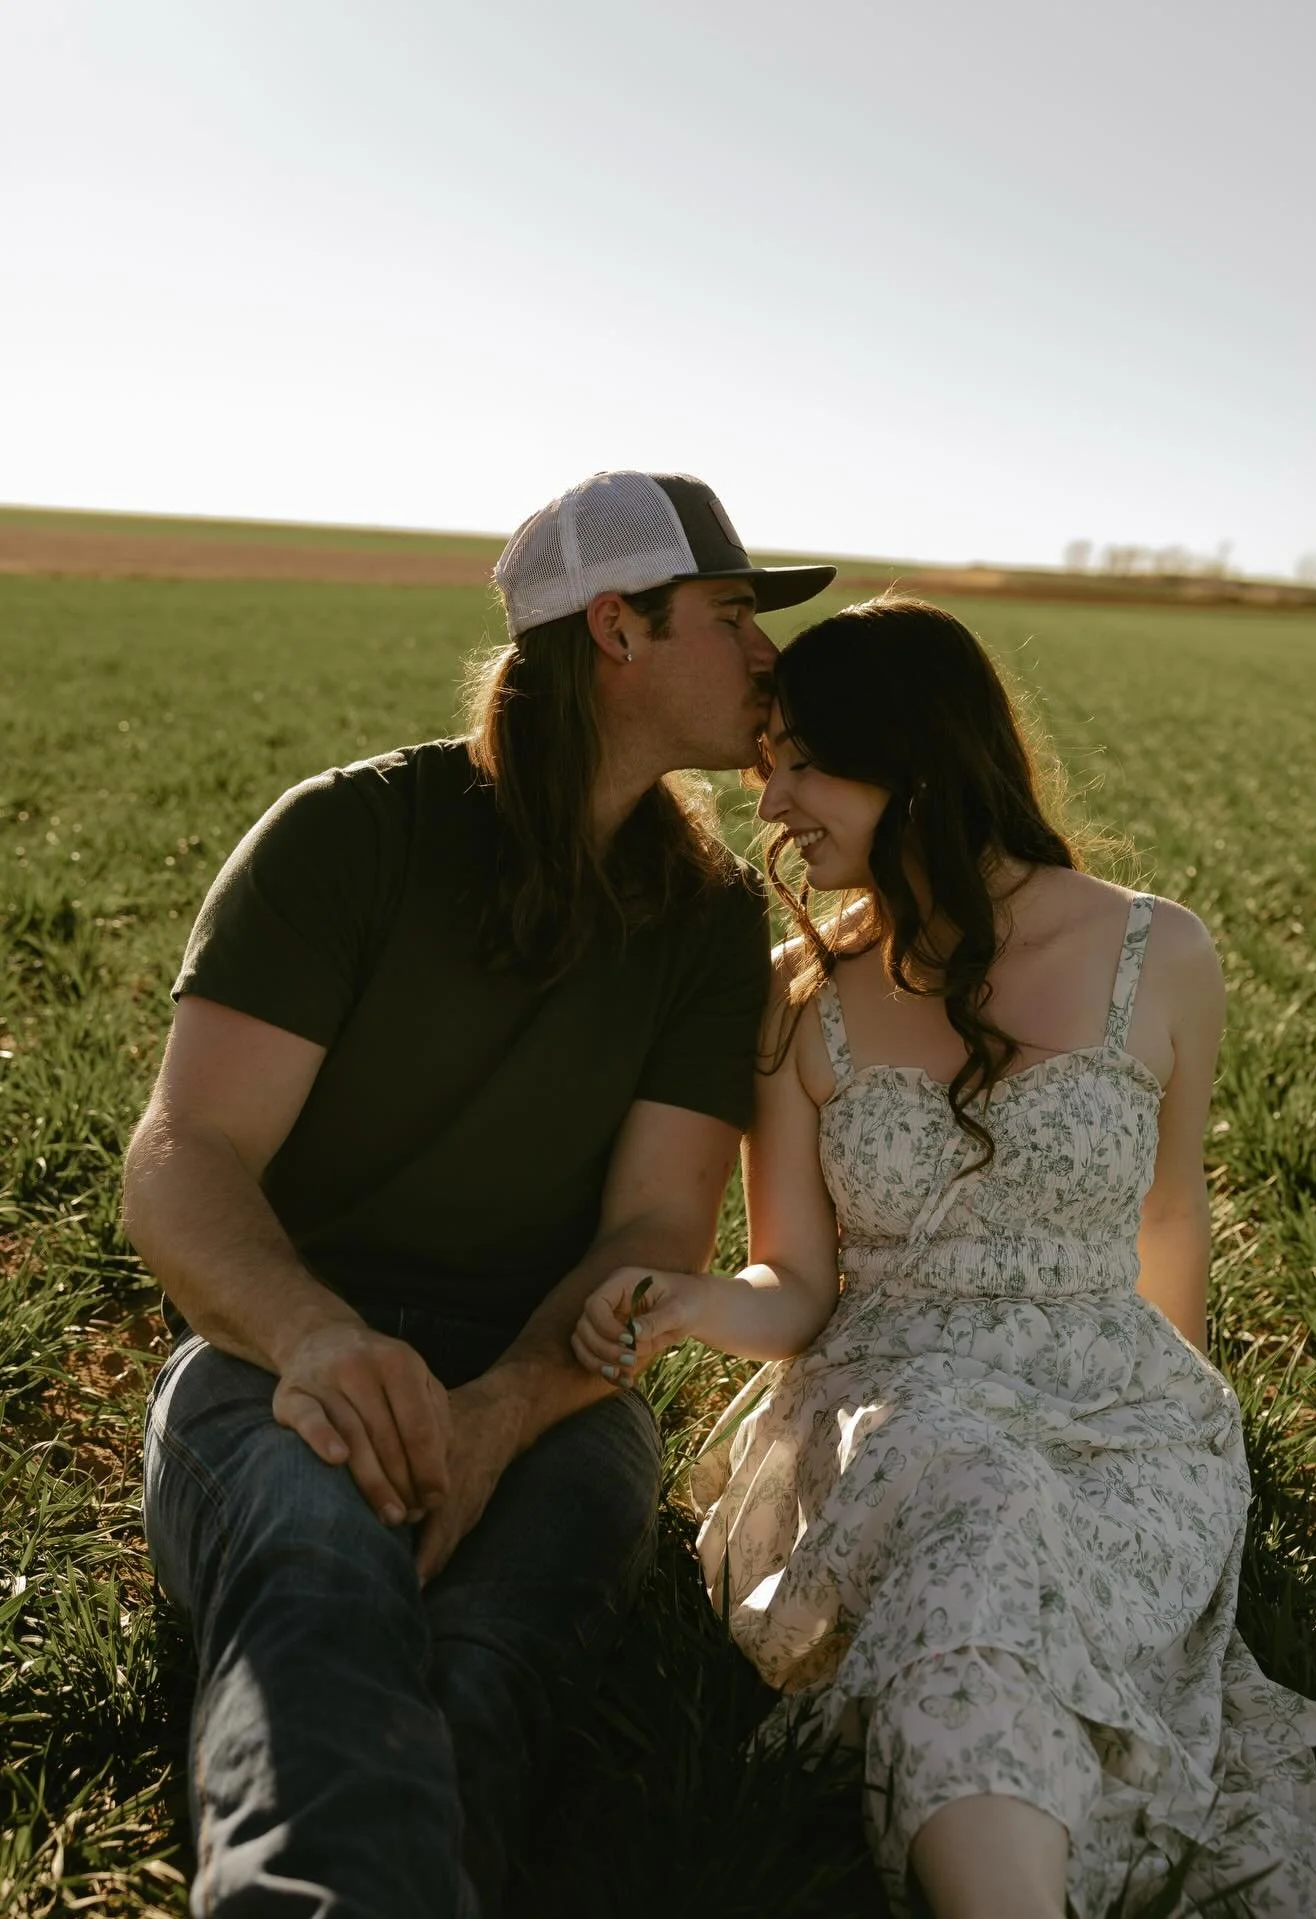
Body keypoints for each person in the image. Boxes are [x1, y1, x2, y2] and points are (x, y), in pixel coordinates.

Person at [571, 598, 1316, 1918]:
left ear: (916, 762)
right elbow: (798, 1287)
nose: (769, 799)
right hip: (887, 1412)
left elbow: (1169, 1219)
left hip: (1119, 1417)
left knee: (1015, 1521)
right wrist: (684, 1299)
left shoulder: (1156, 953)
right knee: (972, 1492)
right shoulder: (798, 997)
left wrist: (1190, 1445)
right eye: (766, 760)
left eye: (800, 761)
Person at [125, 470, 836, 1918]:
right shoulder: (348, 837)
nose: (767, 652)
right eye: (732, 613)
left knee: (487, 1666)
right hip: (279, 1359)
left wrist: (505, 1406)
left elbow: (653, 1228)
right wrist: (322, 1341)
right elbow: (185, 1156)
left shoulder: (708, 920)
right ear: (618, 627)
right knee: (325, 1593)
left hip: (559, 1391)